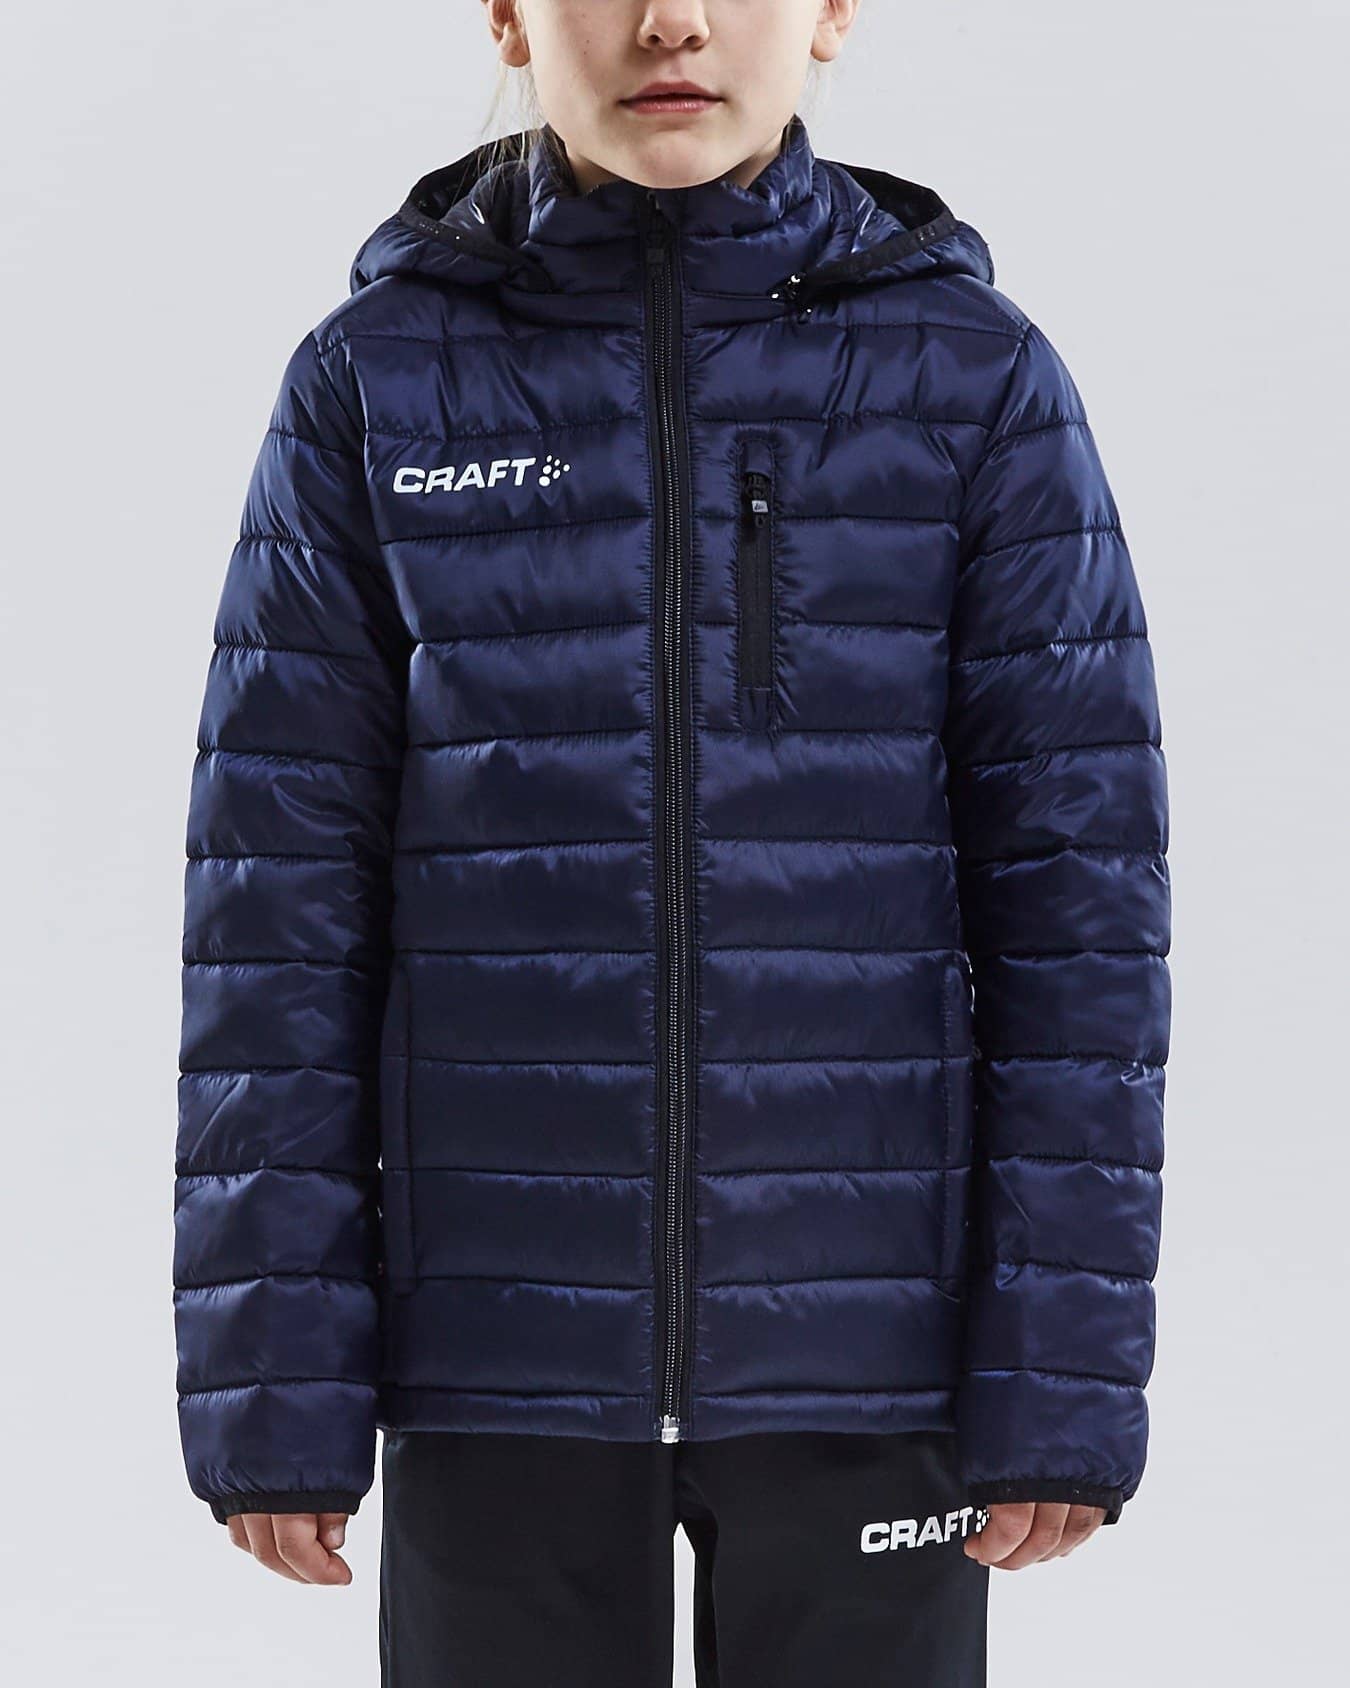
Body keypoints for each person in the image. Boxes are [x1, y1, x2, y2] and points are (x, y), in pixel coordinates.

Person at [173, 2, 1170, 1682]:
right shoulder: (378, 375)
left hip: (873, 1358)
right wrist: (276, 1381)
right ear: (507, 15)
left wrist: (1056, 1376)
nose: (672, 23)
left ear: (832, 13)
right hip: (494, 1359)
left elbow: (1080, 911)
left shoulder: (970, 375)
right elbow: (273, 913)